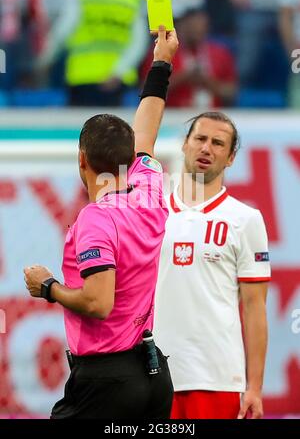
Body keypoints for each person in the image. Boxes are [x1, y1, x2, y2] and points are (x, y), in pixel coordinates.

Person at [24, 25, 179, 419]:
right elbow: (146, 125)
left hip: (106, 383)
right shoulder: (150, 188)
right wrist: (161, 61)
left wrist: (48, 287)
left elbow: (98, 302)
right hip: (152, 373)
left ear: (81, 160)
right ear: (130, 158)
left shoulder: (96, 219)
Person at [154, 111, 271, 419]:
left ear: (231, 158)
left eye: (218, 143)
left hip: (217, 378)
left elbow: (255, 309)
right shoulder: (152, 213)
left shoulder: (245, 220)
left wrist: (255, 387)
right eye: (200, 139)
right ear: (184, 144)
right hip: (153, 376)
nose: (207, 148)